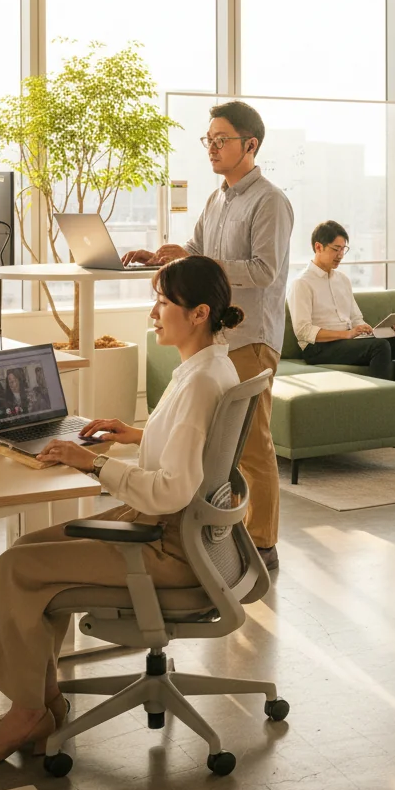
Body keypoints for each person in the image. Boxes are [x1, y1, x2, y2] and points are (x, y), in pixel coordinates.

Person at [0, 255, 245, 764]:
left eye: (162, 302)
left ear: (199, 313)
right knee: (26, 548)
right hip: (179, 532)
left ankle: (28, 715)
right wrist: (134, 434)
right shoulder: (211, 365)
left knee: (16, 568)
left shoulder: (197, 382)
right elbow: (187, 450)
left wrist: (91, 464)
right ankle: (41, 703)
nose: (153, 313)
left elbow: (171, 491)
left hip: (164, 544)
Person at [124, 100, 292, 570]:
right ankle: (224, 533)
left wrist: (205, 263)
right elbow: (198, 252)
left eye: (222, 140)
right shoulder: (216, 198)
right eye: (209, 140)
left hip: (251, 336)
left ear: (250, 144)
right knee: (219, 447)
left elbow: (264, 270)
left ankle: (263, 543)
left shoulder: (270, 201)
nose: (212, 148)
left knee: (251, 443)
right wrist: (170, 259)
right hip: (216, 339)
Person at [287, 221, 395, 436]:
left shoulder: (342, 280)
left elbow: (355, 318)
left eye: (343, 249)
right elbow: (303, 331)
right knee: (380, 347)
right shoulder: (302, 283)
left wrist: (376, 329)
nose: (340, 255)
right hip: (318, 347)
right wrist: (345, 334)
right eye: (335, 249)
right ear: (318, 247)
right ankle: (379, 419)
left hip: (347, 341)